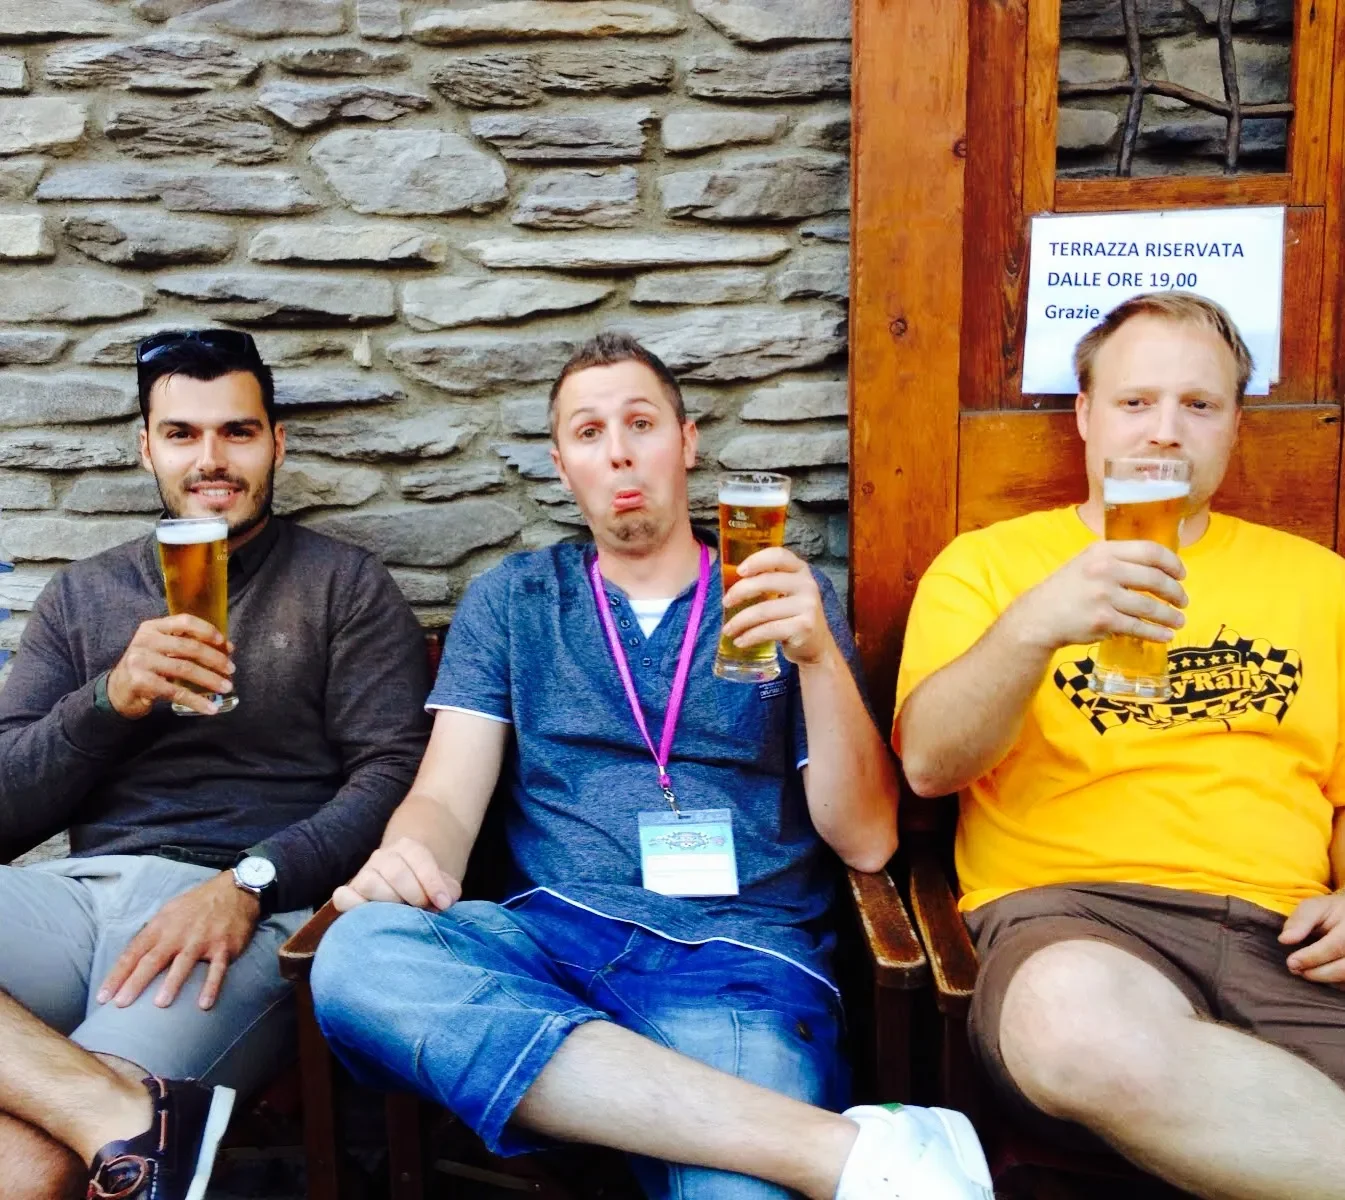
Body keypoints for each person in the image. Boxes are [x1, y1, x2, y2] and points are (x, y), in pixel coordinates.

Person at [309, 332, 994, 1200]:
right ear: (562, 465)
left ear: (686, 442)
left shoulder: (780, 598)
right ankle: (839, 1153)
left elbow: (866, 842)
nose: (618, 452)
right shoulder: (514, 599)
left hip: (735, 963)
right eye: (588, 433)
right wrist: (409, 856)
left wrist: (819, 657)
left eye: (640, 423)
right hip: (548, 945)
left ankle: (646, 1106)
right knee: (357, 955)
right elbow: (444, 797)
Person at [896, 291, 1345, 1200]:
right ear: (1084, 416)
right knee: (1072, 1027)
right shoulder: (987, 566)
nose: (1164, 430)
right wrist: (1034, 626)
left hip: (1290, 938)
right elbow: (930, 767)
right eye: (1135, 401)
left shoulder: (1319, 583)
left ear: (1234, 426)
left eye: (1198, 404)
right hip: (1079, 921)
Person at [0, 329, 431, 1200]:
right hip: (80, 898)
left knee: (39, 1161)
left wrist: (251, 881)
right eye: (182, 434)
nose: (211, 460)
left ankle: (117, 1116)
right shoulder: (81, 594)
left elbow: (392, 778)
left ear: (277, 442)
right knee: (103, 1129)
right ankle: (121, 1110)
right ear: (146, 448)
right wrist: (109, 699)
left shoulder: (343, 585)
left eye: (236, 432)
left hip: (247, 911)